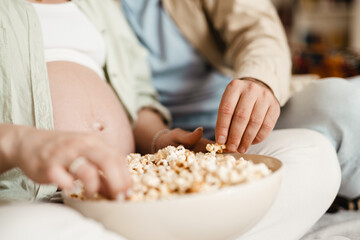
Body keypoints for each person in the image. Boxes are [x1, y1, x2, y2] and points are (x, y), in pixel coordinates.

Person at [121, 0, 342, 239]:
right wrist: (158, 138)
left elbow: (257, 28)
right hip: (172, 136)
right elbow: (130, 97)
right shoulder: (94, 10)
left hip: (250, 103)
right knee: (317, 153)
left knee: (343, 104)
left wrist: (258, 80)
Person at [0, 0, 210, 239]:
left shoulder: (101, 6)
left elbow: (137, 96)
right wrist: (19, 142)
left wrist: (160, 140)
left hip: (127, 185)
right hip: (34, 199)